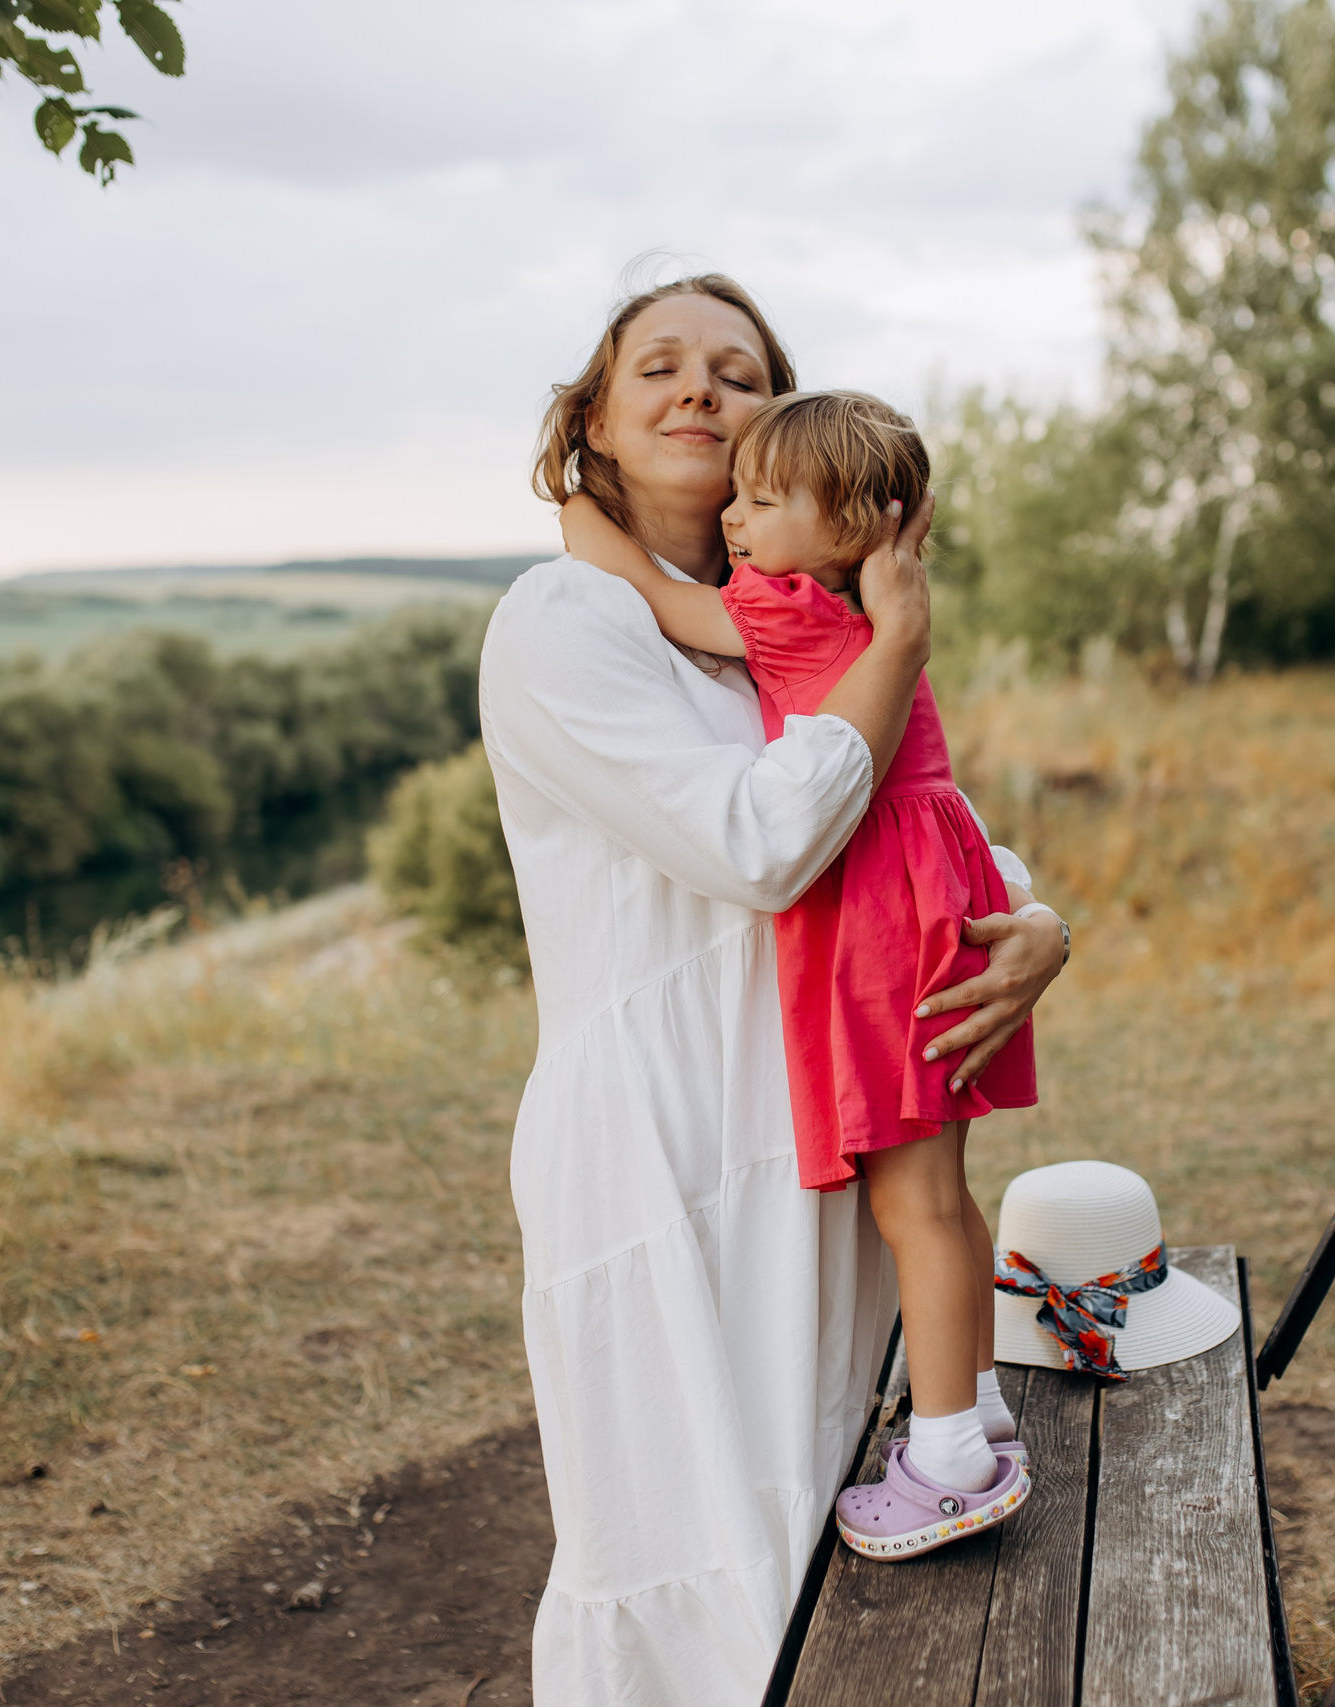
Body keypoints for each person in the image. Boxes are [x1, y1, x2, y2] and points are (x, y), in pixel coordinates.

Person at [478, 275, 1067, 1702]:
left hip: (812, 1126)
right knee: (695, 1555)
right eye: (659, 368)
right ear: (598, 425)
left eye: (736, 373)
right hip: (658, 1145)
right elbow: (761, 837)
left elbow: (910, 818)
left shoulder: (789, 624)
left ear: (779, 433)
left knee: (816, 1529)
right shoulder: (564, 623)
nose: (699, 390)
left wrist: (1034, 911)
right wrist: (903, 645)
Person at [557, 389, 1040, 1561]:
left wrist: (578, 499)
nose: (736, 518)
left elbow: (658, 601)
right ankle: (970, 1401)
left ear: (861, 523)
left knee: (907, 1201)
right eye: (740, 494)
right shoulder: (869, 611)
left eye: (767, 501)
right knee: (945, 1188)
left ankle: (949, 1462)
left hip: (881, 912)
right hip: (936, 882)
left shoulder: (790, 616)